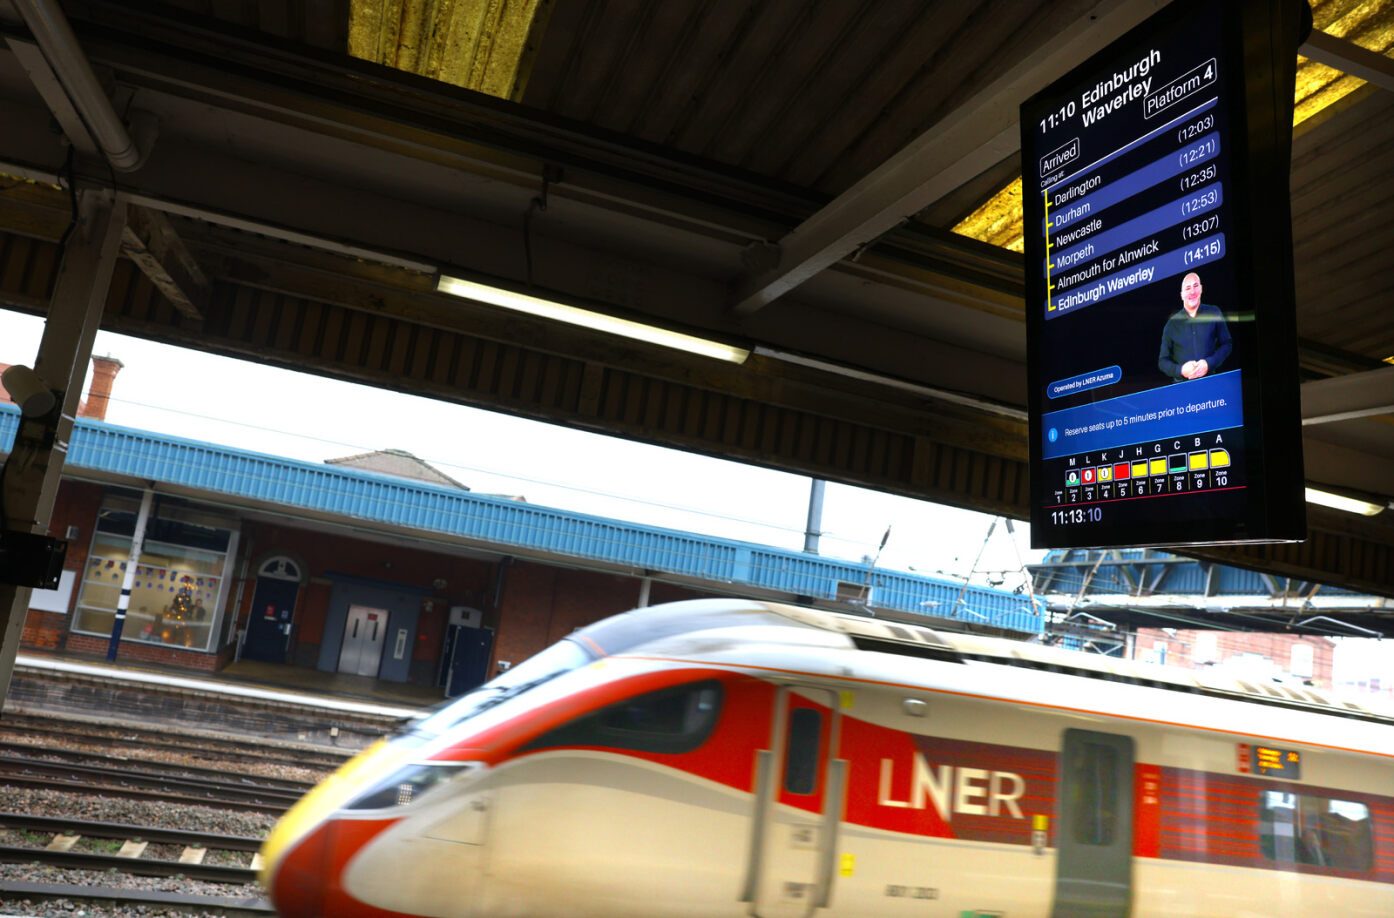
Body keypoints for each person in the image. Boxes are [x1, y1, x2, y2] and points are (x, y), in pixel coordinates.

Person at [1158, 272, 1231, 381]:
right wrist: (1181, 370)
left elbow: (1227, 344)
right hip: (1182, 389)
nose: (1192, 291)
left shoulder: (1214, 312)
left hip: (1211, 382)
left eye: (1196, 286)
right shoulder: (1171, 324)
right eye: (1188, 288)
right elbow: (1163, 361)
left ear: (1201, 289)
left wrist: (1209, 363)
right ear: (1182, 295)